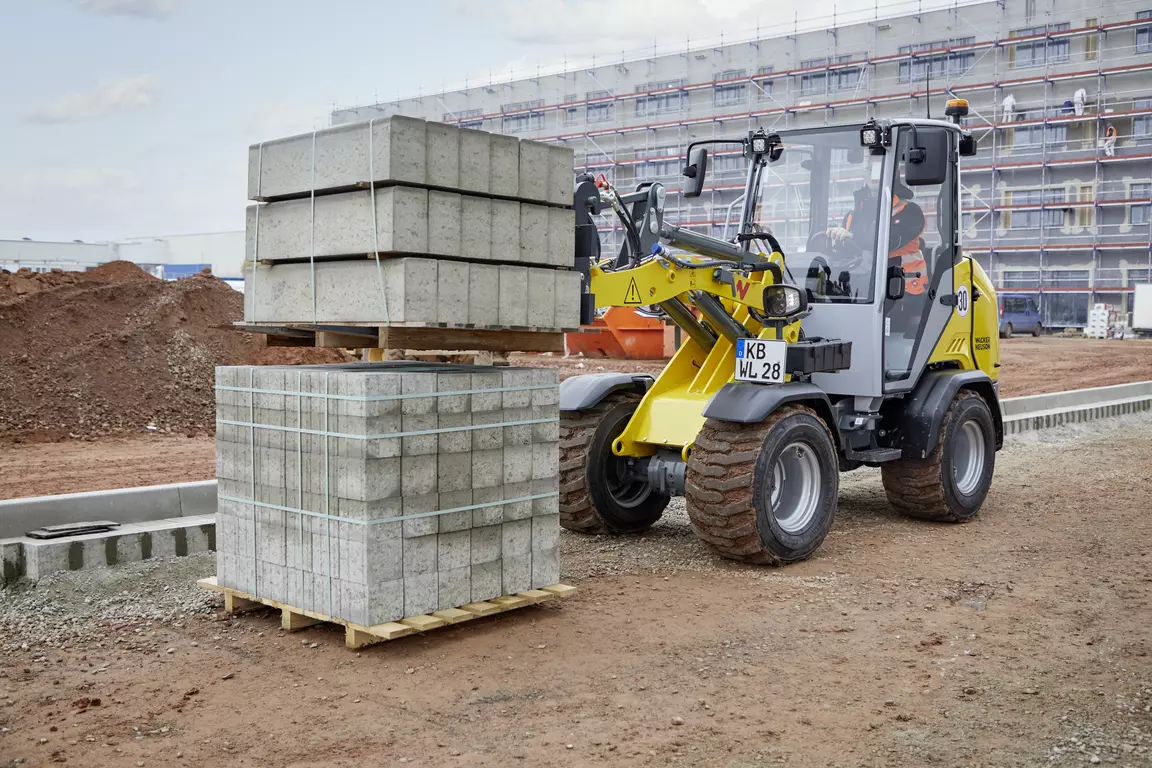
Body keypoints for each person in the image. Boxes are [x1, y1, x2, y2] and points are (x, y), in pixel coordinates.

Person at [825, 180, 928, 295]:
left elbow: (891, 242)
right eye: (868, 164)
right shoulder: (853, 214)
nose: (871, 167)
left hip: (904, 290)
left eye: (875, 163)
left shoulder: (909, 211)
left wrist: (853, 236)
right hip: (860, 290)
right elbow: (848, 251)